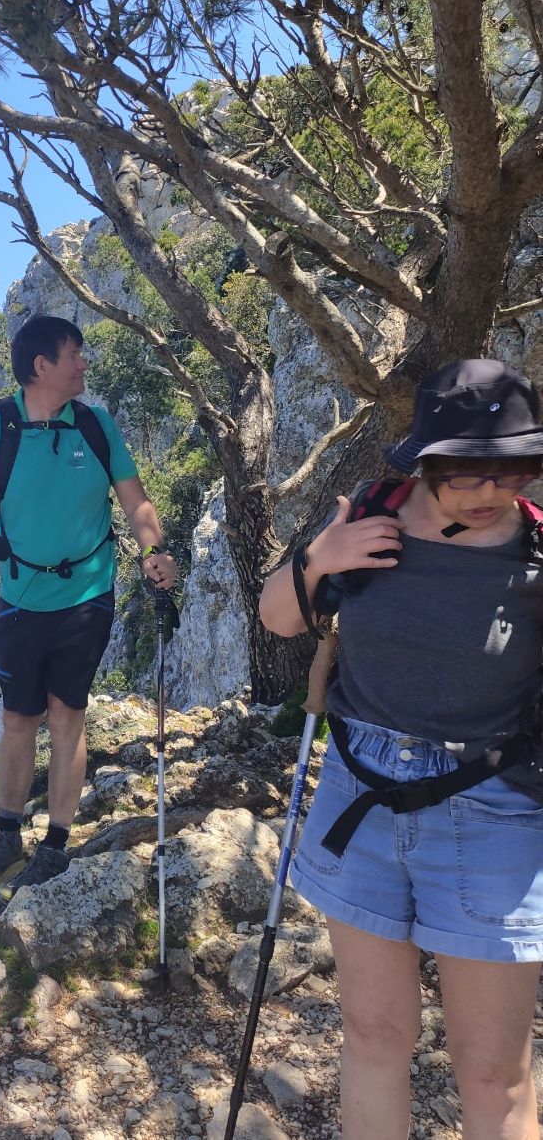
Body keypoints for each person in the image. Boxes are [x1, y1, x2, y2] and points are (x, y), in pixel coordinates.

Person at [260, 358, 543, 1140]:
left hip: (493, 805)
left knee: (492, 1072)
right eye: (466, 470)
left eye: (512, 467)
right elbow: (279, 616)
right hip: (360, 794)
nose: (490, 489)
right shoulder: (368, 512)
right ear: (425, 460)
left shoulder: (535, 549)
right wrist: (321, 558)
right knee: (374, 1034)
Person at [0, 314, 177, 896]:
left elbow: (136, 503)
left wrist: (154, 550)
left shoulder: (96, 425)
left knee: (67, 714)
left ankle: (55, 845)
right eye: (74, 353)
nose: (84, 362)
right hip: (20, 599)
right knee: (18, 718)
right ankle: (8, 834)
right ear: (41, 366)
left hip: (87, 596)